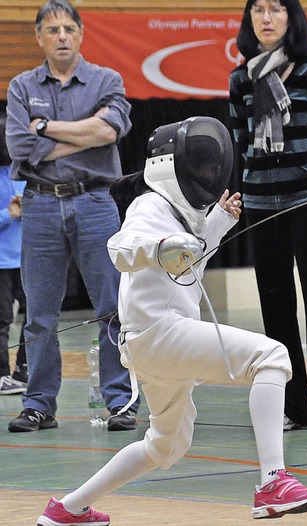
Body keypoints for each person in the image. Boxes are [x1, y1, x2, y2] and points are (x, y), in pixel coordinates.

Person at [35, 116, 307, 525]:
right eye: (202, 165)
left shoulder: (180, 214)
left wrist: (217, 224)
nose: (208, 173)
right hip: (160, 333)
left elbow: (186, 262)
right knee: (272, 357)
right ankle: (273, 483)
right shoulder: (149, 206)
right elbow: (121, 247)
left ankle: (68, 508)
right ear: (174, 166)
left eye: (211, 166)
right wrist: (162, 247)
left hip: (150, 343)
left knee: (165, 445)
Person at [5, 0, 139, 432]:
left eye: (68, 28)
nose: (61, 36)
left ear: (80, 34)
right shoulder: (22, 86)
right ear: (40, 37)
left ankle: (120, 401)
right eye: (52, 29)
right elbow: (20, 150)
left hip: (95, 202)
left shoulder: (107, 80)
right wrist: (86, 132)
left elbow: (110, 131)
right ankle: (39, 404)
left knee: (112, 307)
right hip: (40, 205)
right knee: (40, 313)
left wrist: (44, 128)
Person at [228, 0, 307, 431]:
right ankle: (293, 407)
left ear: (291, 18)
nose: (266, 18)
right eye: (258, 10)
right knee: (275, 306)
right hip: (261, 202)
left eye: (276, 9)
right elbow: (239, 138)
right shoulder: (240, 78)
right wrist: (249, 180)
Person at [0, 114, 28, 395]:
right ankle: (0, 375)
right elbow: (12, 213)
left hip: (26, 259)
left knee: (33, 318)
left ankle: (23, 370)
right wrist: (8, 214)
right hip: (0, 262)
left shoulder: (21, 173)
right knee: (2, 321)